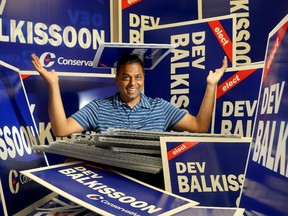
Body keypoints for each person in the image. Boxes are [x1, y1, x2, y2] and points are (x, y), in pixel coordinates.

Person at [31, 53, 227, 137]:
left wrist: (211, 86)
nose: (133, 83)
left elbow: (200, 126)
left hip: (153, 187)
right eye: (126, 77)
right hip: (111, 188)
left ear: (143, 79)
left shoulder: (160, 107)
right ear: (116, 79)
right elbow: (61, 129)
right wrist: (53, 84)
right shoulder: (99, 108)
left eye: (138, 77)